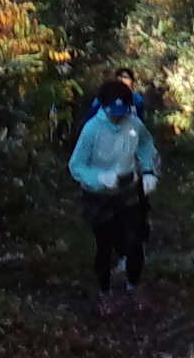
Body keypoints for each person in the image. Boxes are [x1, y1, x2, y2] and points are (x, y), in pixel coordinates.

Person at [68, 78, 159, 314]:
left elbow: (146, 145)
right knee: (104, 245)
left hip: (128, 191)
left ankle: (134, 287)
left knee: (135, 241)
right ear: (104, 107)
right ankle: (105, 293)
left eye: (122, 113)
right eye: (113, 113)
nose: (117, 118)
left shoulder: (134, 123)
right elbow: (76, 165)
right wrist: (99, 178)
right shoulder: (92, 129)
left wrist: (149, 171)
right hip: (98, 195)